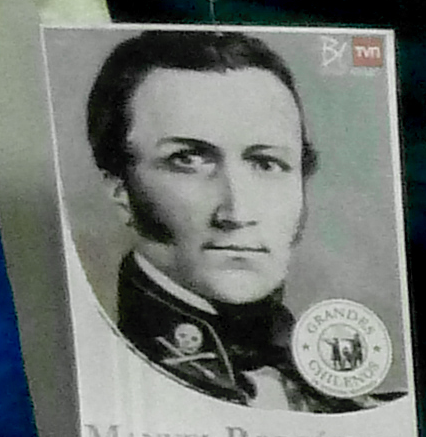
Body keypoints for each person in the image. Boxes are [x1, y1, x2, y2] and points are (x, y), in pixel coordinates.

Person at [80, 28, 396, 410]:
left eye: (266, 163)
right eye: (188, 160)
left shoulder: (366, 409)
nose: (236, 213)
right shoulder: (96, 394)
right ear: (120, 190)